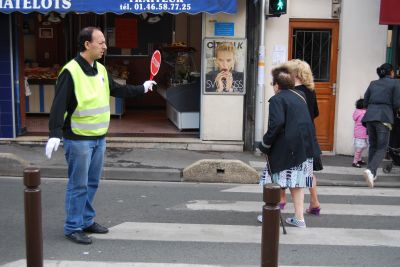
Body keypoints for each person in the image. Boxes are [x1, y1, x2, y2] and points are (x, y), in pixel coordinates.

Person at [44, 27, 156, 245]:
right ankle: (72, 227)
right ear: (87, 45)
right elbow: (59, 105)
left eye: (105, 42)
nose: (105, 46)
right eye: (101, 42)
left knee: (92, 183)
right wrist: (54, 133)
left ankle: (86, 221)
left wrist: (142, 88)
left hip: (99, 137)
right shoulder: (71, 71)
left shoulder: (101, 69)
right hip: (78, 138)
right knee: (78, 185)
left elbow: (117, 90)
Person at [258, 65, 321, 228]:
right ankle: (299, 218)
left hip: (287, 149)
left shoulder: (277, 99)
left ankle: (271, 215)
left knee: (276, 181)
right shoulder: (299, 95)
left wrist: (265, 144)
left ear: (277, 85)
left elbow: (276, 124)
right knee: (297, 184)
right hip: (305, 147)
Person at [283, 59, 322, 216]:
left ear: (294, 74)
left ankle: (280, 201)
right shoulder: (310, 90)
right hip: (309, 135)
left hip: (294, 135)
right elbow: (316, 113)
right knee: (309, 170)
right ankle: (314, 203)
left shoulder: (292, 92)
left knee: (284, 167)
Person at [362, 63, 400, 188]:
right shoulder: (395, 83)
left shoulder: (373, 83)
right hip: (384, 117)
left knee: (373, 146)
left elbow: (365, 101)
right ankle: (370, 170)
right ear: (391, 72)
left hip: (370, 117)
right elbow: (396, 103)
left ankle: (372, 174)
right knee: (382, 148)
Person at [352, 98, 368, 168]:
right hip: (361, 133)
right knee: (359, 149)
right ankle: (355, 162)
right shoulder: (363, 113)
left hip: (360, 133)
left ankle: (359, 160)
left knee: (361, 148)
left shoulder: (357, 112)